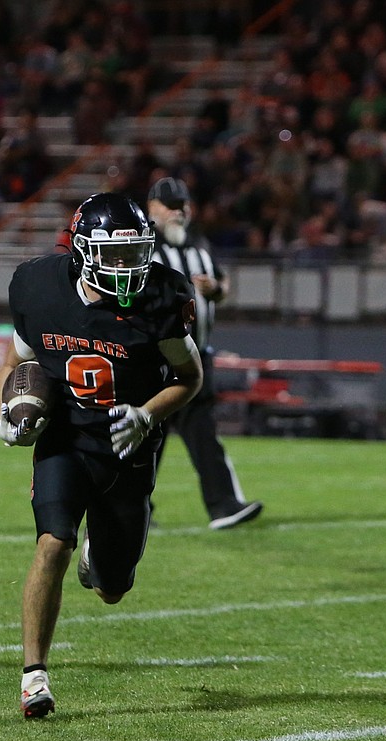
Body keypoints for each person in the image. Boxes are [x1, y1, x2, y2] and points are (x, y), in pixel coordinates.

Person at [0, 192, 203, 719]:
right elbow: (19, 363)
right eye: (115, 255)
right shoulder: (39, 285)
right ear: (83, 250)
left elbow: (189, 377)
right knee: (52, 543)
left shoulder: (160, 296)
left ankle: (102, 560)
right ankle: (33, 675)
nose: (128, 266)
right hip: (65, 439)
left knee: (112, 588)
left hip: (129, 448)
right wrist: (10, 412)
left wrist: (147, 415)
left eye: (136, 253)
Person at [146, 177, 263, 530]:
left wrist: (216, 289)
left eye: (182, 205)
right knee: (148, 434)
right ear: (152, 207)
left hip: (196, 356)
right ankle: (131, 507)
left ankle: (224, 504)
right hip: (154, 359)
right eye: (170, 205)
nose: (178, 212)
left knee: (201, 432)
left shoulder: (199, 243)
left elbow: (223, 284)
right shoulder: (144, 243)